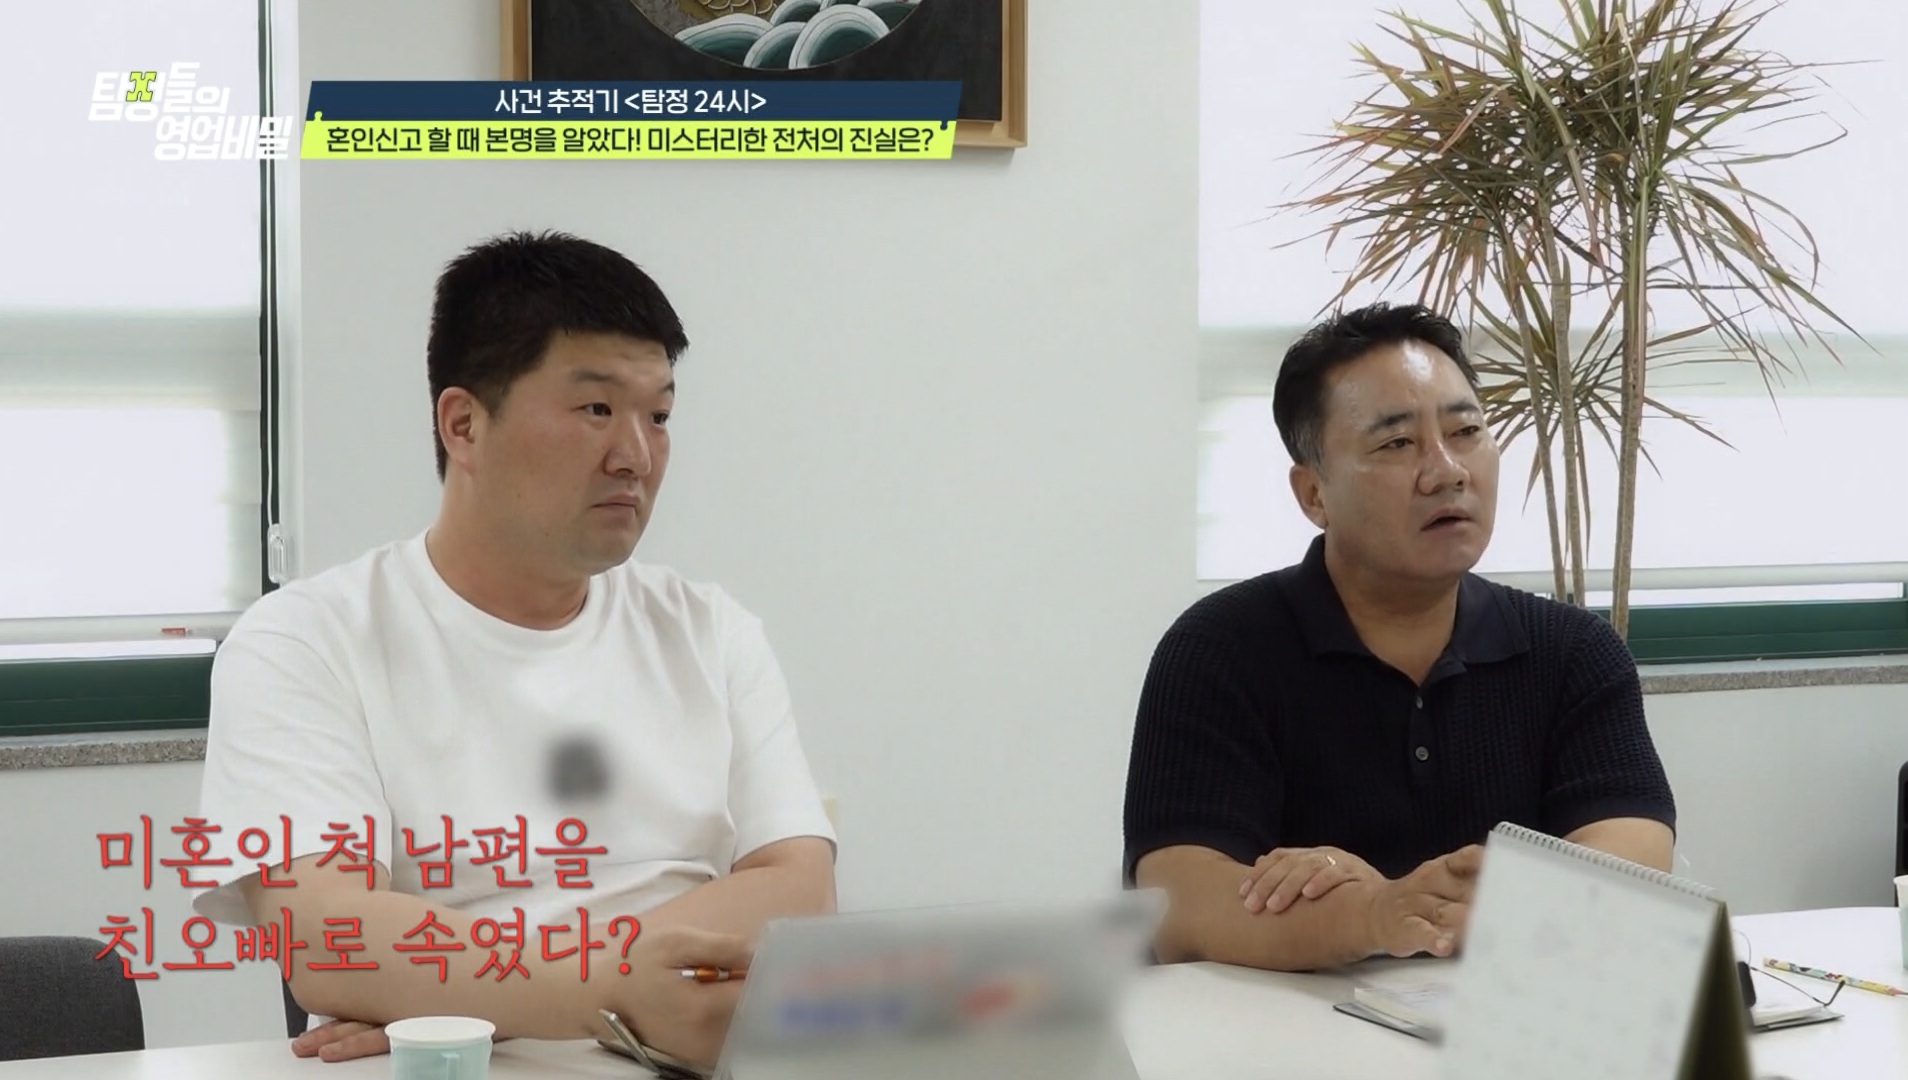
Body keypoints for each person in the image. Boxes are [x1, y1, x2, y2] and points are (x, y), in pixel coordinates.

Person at [193, 230, 837, 1067]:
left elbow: (800, 893)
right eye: (596, 410)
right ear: (463, 425)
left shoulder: (710, 631)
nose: (636, 456)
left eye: (660, 415)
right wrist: (612, 990)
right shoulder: (304, 641)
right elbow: (327, 935)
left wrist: (472, 994)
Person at [1122, 302, 1675, 973]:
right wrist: (1373, 915)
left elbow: (1634, 857)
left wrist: (1477, 909)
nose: (1447, 471)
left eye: (1465, 431)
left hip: (1503, 1019)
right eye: (1396, 444)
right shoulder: (1220, 649)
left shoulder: (1574, 652)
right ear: (1313, 494)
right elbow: (1176, 903)